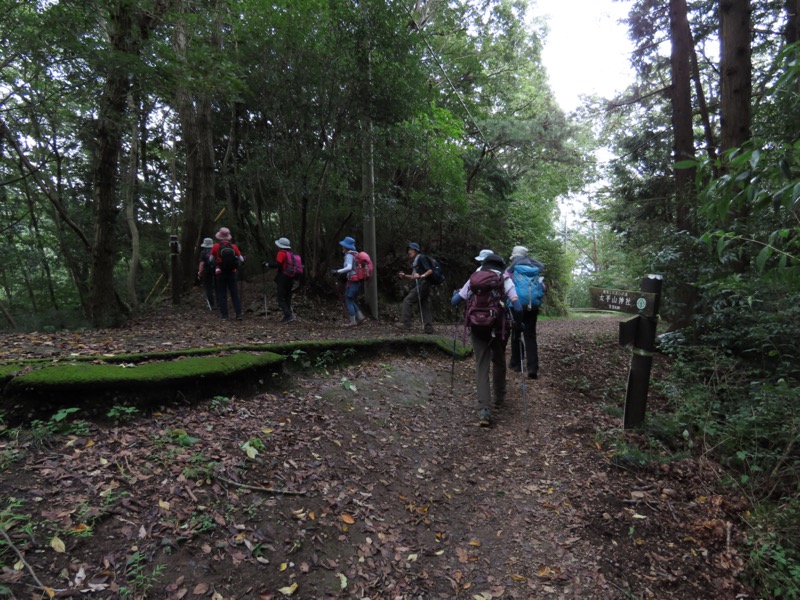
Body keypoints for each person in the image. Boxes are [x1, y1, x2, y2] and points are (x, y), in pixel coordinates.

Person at [452, 253, 522, 426]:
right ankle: (499, 397)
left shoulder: (474, 279)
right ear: (501, 266)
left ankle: (484, 409)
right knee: (498, 361)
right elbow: (517, 306)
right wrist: (519, 323)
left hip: (477, 327)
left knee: (481, 365)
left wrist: (457, 294)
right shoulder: (504, 279)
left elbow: (455, 301)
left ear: (484, 265)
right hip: (498, 328)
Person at [507, 246, 545, 379]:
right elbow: (542, 287)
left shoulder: (512, 269)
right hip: (533, 305)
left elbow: (506, 284)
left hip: (516, 304)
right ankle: (532, 368)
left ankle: (516, 363)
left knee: (516, 333)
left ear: (515, 257)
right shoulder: (535, 269)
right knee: (530, 336)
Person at [396, 242, 435, 334]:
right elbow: (415, 276)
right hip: (424, 284)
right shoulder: (416, 261)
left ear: (416, 251)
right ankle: (428, 328)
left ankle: (406, 324)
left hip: (423, 284)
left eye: (411, 249)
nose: (409, 251)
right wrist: (405, 275)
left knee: (407, 301)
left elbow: (430, 270)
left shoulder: (421, 258)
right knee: (424, 304)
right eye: (408, 250)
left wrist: (421, 276)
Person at [263, 237, 299, 324]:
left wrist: (267, 264)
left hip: (283, 277)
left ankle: (288, 315)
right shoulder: (291, 253)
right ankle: (288, 316)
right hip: (291, 277)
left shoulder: (281, 253)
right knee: (287, 297)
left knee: (280, 298)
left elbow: (278, 265)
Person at [210, 227, 244, 320]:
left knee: (222, 294)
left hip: (220, 272)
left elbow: (210, 259)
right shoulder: (234, 246)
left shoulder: (216, 246)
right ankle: (238, 314)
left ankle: (224, 315)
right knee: (234, 294)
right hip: (232, 272)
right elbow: (241, 259)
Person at [332, 236, 366, 327]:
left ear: (346, 247)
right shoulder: (355, 254)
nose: (342, 247)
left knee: (348, 299)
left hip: (353, 280)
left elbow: (349, 268)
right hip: (356, 280)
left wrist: (337, 271)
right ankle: (360, 316)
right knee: (351, 299)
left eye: (343, 246)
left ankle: (353, 321)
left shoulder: (349, 255)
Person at [197, 237, 216, 310]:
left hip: (207, 271)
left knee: (209, 288)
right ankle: (219, 304)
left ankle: (211, 304)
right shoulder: (215, 251)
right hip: (216, 271)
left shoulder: (203, 252)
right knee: (217, 287)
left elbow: (202, 263)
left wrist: (200, 272)